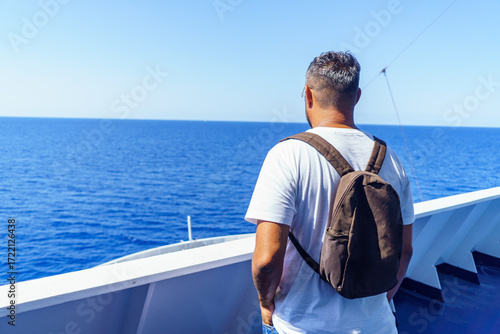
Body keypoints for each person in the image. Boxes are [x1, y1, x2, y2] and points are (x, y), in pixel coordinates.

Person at [245, 51, 414, 334]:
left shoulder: (287, 155)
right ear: (357, 96)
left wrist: (265, 303)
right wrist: (380, 301)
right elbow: (404, 251)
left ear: (308, 95)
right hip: (378, 324)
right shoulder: (391, 160)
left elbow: (266, 260)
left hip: (302, 326)